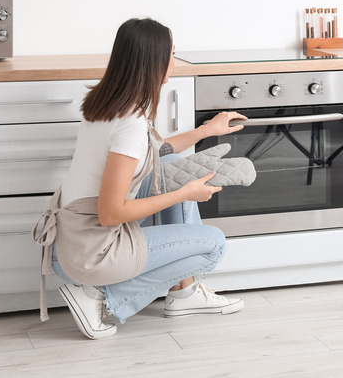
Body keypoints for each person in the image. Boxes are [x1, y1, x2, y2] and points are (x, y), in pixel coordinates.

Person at [33, 17, 247, 340]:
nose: (174, 61)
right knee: (213, 245)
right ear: (154, 63)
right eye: (172, 54)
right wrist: (185, 194)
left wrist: (207, 130)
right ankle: (98, 297)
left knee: (172, 162)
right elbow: (110, 213)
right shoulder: (131, 122)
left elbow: (155, 153)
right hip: (93, 255)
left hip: (72, 243)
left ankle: (184, 292)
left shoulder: (107, 104)